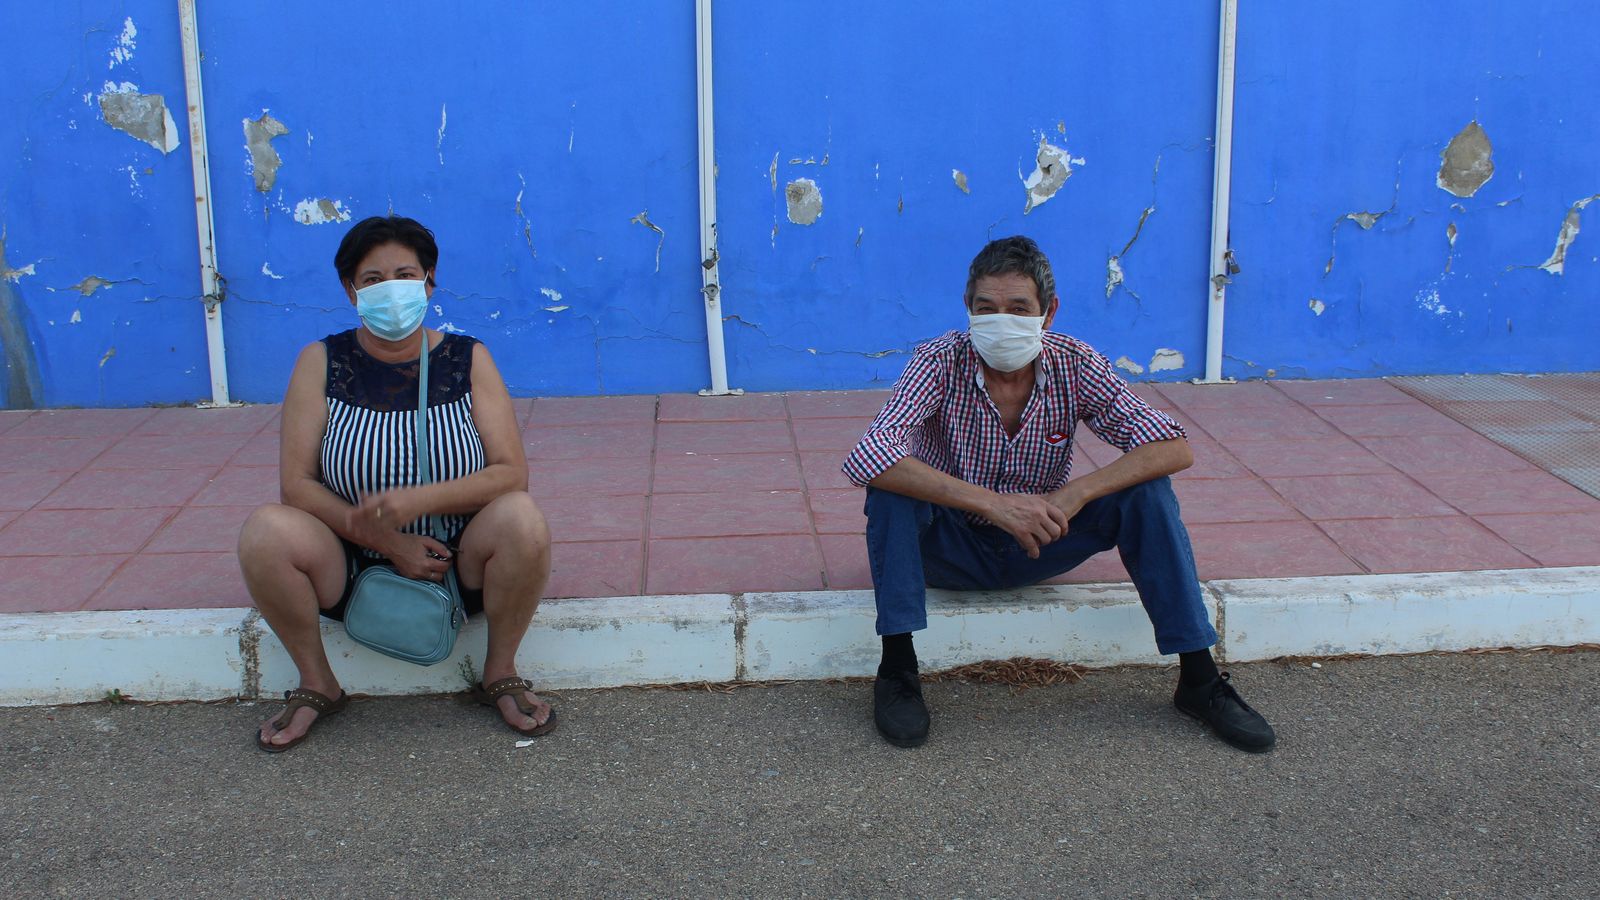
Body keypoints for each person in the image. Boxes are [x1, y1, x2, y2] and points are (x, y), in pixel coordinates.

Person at [842, 235, 1275, 752]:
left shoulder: (1075, 363)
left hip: (1042, 538)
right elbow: (870, 452)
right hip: (949, 546)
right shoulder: (939, 362)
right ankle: (897, 671)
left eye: (1018, 308)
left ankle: (1200, 680)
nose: (1001, 320)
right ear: (968, 310)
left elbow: (1172, 446)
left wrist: (1077, 493)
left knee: (1147, 492)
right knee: (892, 491)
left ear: (1048, 313)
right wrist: (992, 503)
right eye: (987, 308)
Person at [239, 215, 557, 752]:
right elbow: (296, 484)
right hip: (351, 563)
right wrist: (388, 540)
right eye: (372, 279)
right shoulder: (321, 362)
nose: (390, 290)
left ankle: (499, 672)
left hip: (459, 563)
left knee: (522, 518)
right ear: (350, 290)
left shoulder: (468, 359)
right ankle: (317, 683)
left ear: (430, 282)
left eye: (405, 275)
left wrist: (417, 501)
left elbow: (509, 472)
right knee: (265, 532)